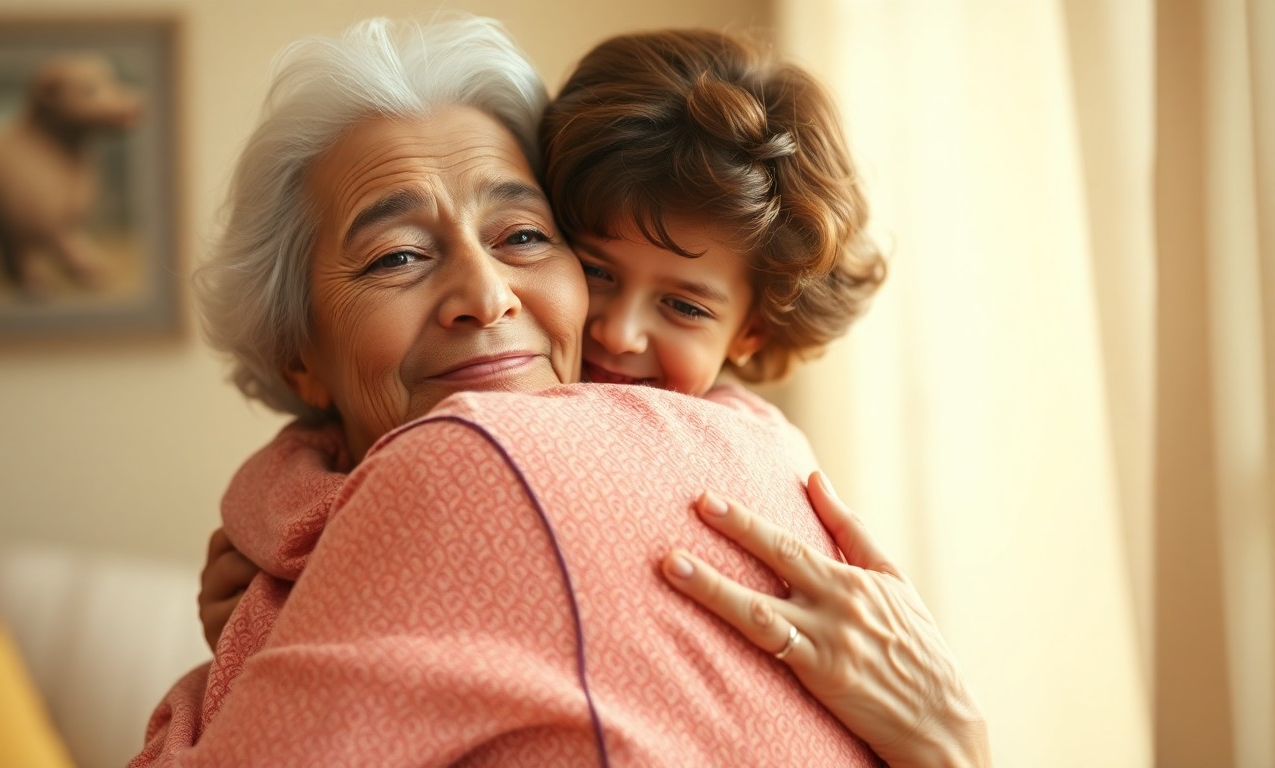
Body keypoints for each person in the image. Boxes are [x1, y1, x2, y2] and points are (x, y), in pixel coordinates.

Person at [139, 15, 988, 767]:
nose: (487, 296)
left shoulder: (471, 463)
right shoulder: (744, 438)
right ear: (298, 351)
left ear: (749, 334)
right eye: (398, 255)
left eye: (520, 235)